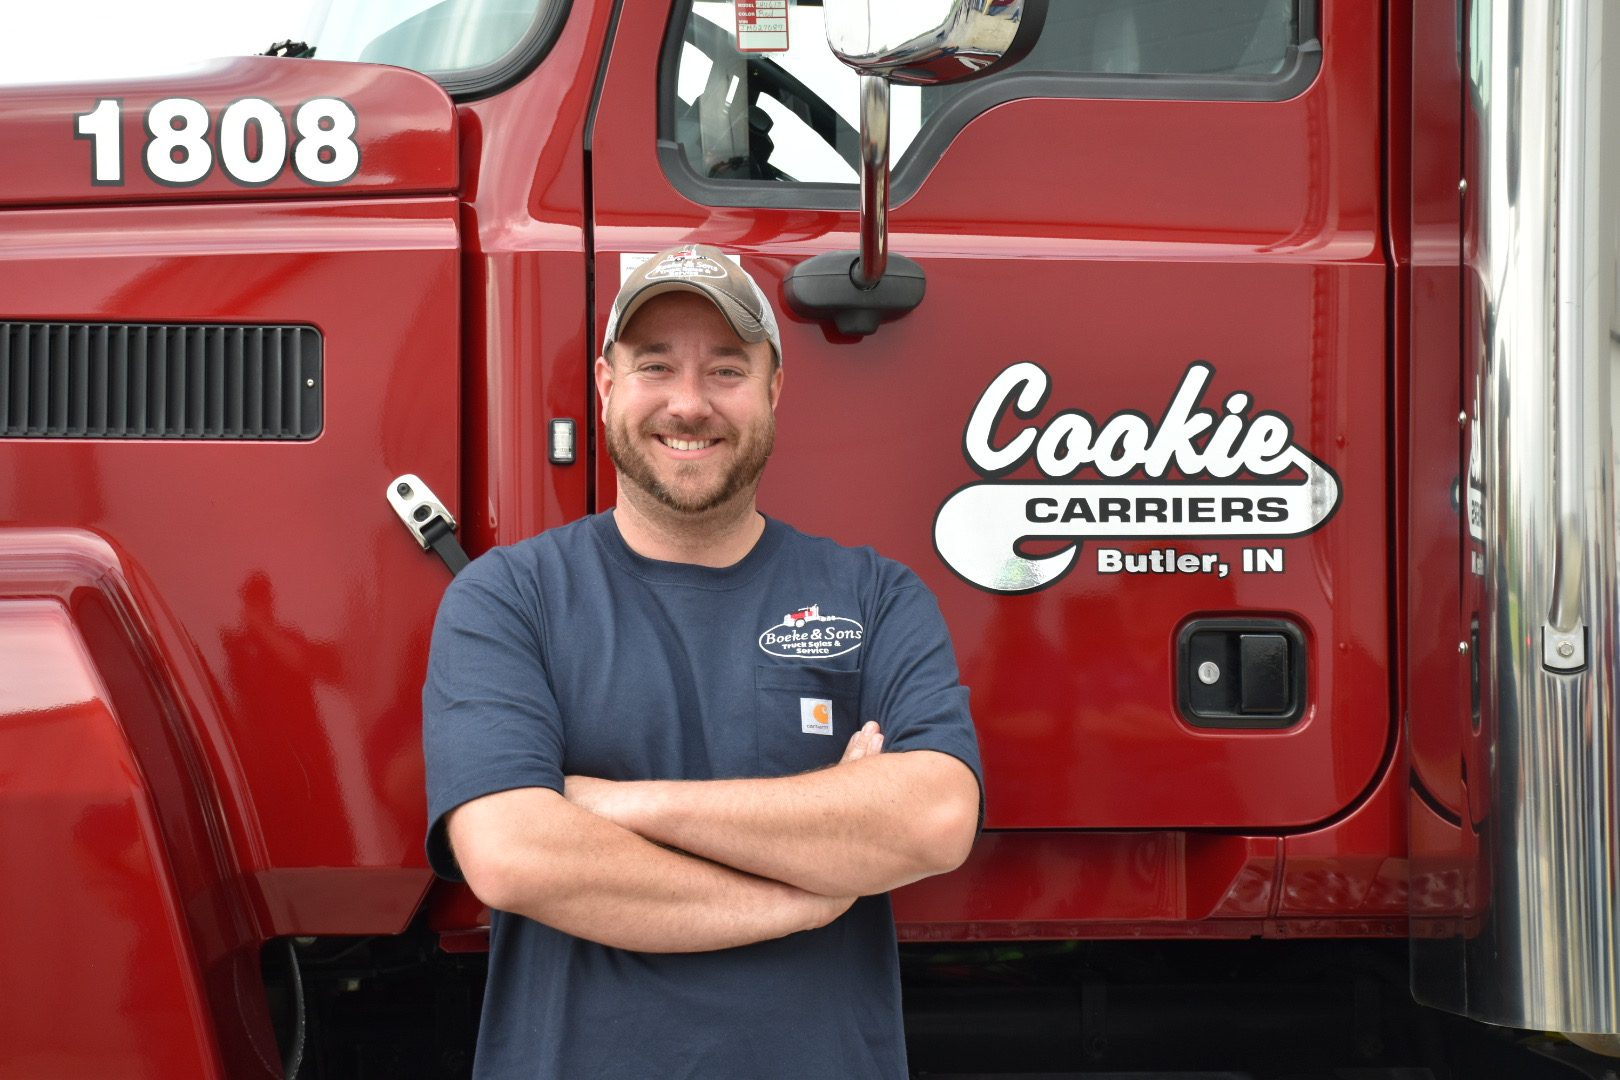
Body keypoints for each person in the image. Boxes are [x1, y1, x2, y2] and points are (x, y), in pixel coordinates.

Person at [422, 243, 983, 1079]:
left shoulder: (873, 595)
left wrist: (610, 806)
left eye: (726, 370)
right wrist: (807, 897)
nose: (689, 405)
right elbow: (513, 854)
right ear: (608, 386)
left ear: (773, 392)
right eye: (656, 367)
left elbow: (934, 818)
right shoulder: (510, 597)